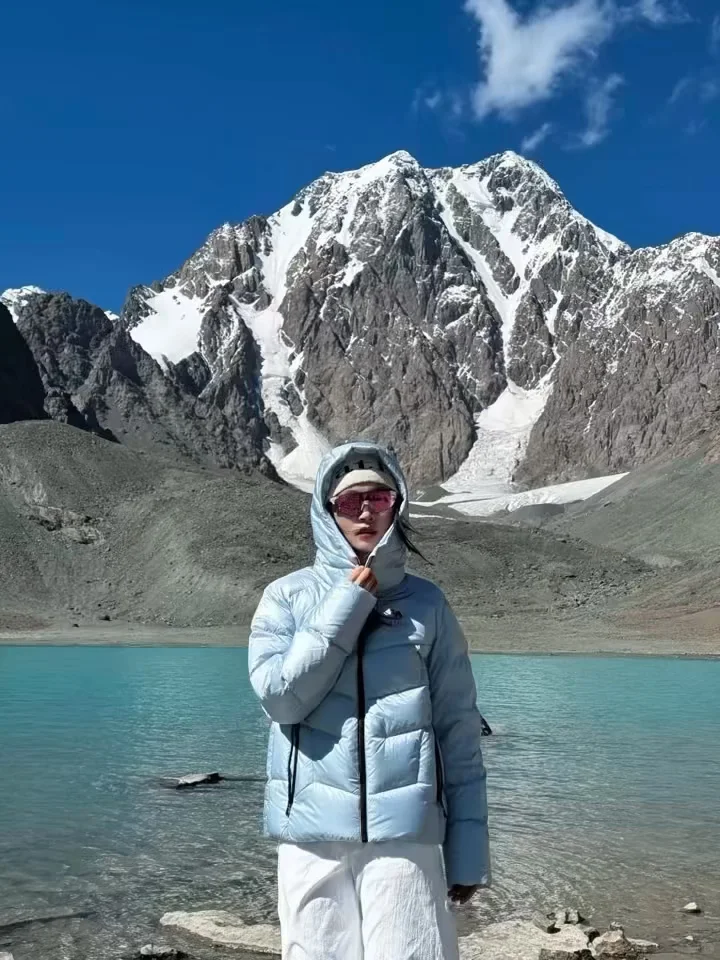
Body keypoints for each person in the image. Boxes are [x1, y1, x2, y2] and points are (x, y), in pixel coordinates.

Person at [248, 441, 490, 960]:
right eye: (347, 501)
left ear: (396, 505)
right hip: (310, 835)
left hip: (405, 834)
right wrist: (349, 603)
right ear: (326, 510)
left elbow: (459, 730)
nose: (363, 511)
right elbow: (281, 699)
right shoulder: (286, 597)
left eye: (378, 498)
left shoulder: (427, 604)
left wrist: (467, 855)